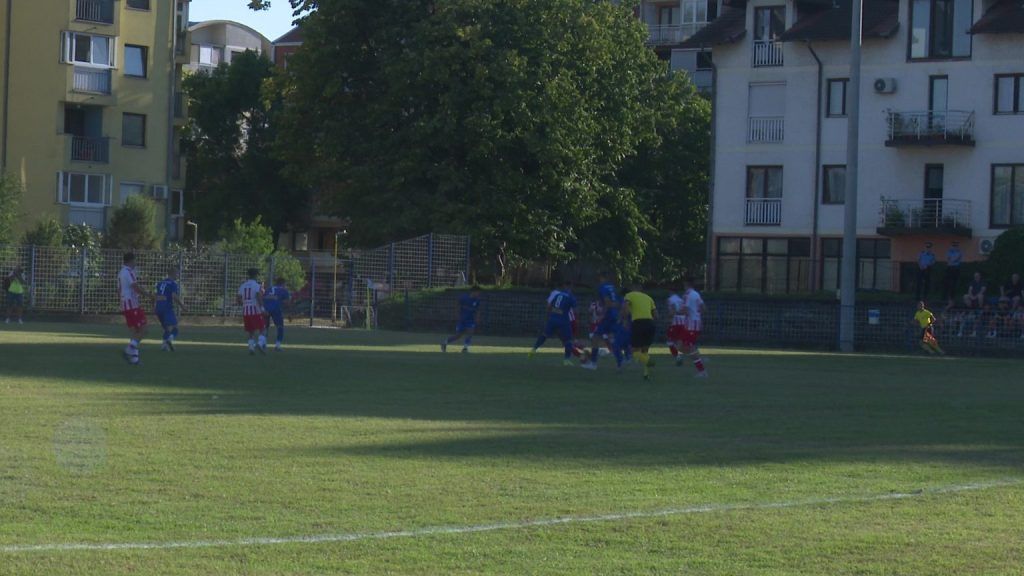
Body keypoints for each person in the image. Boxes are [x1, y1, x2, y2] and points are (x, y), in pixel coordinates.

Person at [581, 273, 624, 370]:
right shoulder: (612, 287)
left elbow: (607, 302)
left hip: (608, 316)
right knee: (613, 339)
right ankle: (620, 362)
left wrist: (603, 314)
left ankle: (593, 363)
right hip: (614, 315)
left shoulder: (602, 287)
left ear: (601, 278)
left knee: (595, 338)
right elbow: (617, 302)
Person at [529, 281, 578, 366]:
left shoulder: (558, 295)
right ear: (571, 286)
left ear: (563, 286)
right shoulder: (571, 297)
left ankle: (534, 349)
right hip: (563, 320)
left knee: (544, 334)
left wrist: (551, 316)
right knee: (568, 340)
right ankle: (566, 360)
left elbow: (549, 307)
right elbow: (575, 310)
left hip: (552, 319)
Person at [117, 253, 151, 365]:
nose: (136, 263)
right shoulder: (129, 272)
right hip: (132, 305)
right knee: (144, 329)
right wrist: (149, 295)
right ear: (131, 260)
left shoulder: (121, 272)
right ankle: (128, 350)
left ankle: (134, 358)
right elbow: (135, 287)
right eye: (135, 260)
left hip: (126, 305)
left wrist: (121, 302)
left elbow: (119, 290)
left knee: (136, 332)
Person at [621, 285, 658, 380]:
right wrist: (650, 323)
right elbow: (656, 315)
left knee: (635, 351)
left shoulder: (629, 295)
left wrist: (624, 320)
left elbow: (625, 307)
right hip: (650, 323)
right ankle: (646, 374)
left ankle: (649, 361)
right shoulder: (649, 298)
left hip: (638, 323)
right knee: (645, 350)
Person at [675, 278, 708, 378]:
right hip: (694, 324)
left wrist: (676, 312)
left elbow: (684, 310)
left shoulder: (687, 295)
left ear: (685, 284)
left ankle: (702, 370)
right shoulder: (696, 294)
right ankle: (698, 358)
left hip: (691, 326)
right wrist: (697, 317)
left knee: (686, 347)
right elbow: (704, 308)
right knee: (680, 346)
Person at [155, 268, 187, 351]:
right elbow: (174, 296)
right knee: (175, 328)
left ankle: (164, 346)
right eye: (177, 274)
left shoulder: (160, 283)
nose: (178, 275)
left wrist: (154, 306)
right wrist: (182, 306)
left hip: (158, 307)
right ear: (172, 274)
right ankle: (169, 340)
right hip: (167, 307)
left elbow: (156, 295)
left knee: (167, 328)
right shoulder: (173, 284)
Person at [442, 286, 481, 353]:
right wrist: (457, 315)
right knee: (458, 336)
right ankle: (444, 343)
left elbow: (478, 310)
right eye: (478, 293)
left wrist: (477, 319)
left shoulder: (477, 300)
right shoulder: (464, 297)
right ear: (474, 292)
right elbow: (457, 305)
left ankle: (465, 348)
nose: (478, 294)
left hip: (470, 320)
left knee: (470, 333)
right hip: (462, 320)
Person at [237, 268, 267, 355]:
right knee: (262, 328)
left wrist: (244, 304)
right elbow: (258, 297)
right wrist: (262, 309)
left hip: (246, 311)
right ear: (256, 275)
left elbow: (238, 299)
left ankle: (251, 348)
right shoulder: (256, 285)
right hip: (255, 310)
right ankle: (260, 343)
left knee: (250, 330)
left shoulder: (243, 285)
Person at [263, 277, 291, 351]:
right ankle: (277, 346)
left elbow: (264, 298)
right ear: (283, 284)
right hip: (276, 310)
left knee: (265, 327)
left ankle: (263, 344)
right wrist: (289, 314)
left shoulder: (268, 289)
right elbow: (287, 303)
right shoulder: (283, 290)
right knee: (280, 327)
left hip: (266, 309)